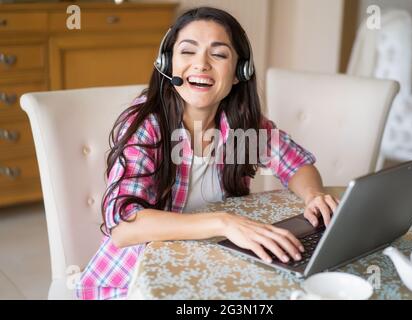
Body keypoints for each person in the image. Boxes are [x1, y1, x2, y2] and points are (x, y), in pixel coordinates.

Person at [76, 6, 339, 300]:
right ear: (168, 63)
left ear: (241, 72)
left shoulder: (240, 125)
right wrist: (224, 221)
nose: (201, 64)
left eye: (219, 54)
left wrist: (313, 195)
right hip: (132, 281)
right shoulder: (147, 124)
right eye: (188, 51)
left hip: (207, 265)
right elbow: (125, 228)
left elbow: (296, 164)